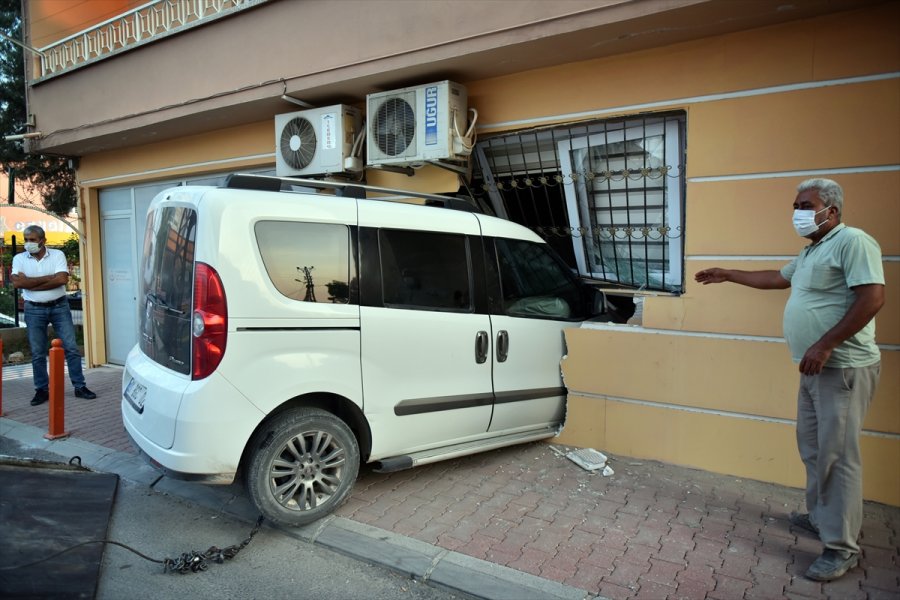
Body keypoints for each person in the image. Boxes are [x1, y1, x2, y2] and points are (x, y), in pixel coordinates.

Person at [694, 178, 884, 582]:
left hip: (842, 368)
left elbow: (872, 297)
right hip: (813, 368)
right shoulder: (812, 249)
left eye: (805, 204)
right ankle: (821, 518)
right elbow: (778, 279)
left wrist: (825, 344)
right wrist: (728, 274)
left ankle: (841, 548)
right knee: (814, 449)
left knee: (837, 457)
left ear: (831, 210)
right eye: (795, 205)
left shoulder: (854, 242)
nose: (797, 211)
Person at [11, 225, 97, 406]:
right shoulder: (19, 258)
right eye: (26, 239)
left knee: (71, 348)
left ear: (43, 240)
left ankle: (79, 386)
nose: (28, 243)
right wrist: (48, 278)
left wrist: (30, 283)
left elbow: (62, 280)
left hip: (59, 307)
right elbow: (18, 283)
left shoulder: (57, 255)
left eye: (32, 240)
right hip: (33, 309)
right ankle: (42, 390)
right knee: (37, 352)